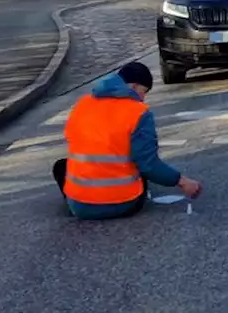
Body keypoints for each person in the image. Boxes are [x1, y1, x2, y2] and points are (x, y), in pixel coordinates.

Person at [54, 61, 202, 219]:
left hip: (79, 207)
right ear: (134, 86)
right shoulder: (138, 112)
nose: (143, 98)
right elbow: (149, 164)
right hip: (123, 204)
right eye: (143, 92)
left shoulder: (82, 104)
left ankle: (81, 199)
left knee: (61, 166)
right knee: (140, 167)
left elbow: (74, 140)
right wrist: (183, 181)